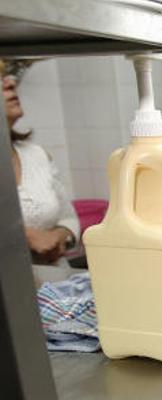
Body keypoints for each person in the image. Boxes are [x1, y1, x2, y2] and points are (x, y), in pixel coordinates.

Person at [3, 63, 80, 266]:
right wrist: (25, 236)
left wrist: (58, 237)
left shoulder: (36, 155)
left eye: (7, 77)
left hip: (53, 284)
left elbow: (69, 219)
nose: (10, 83)